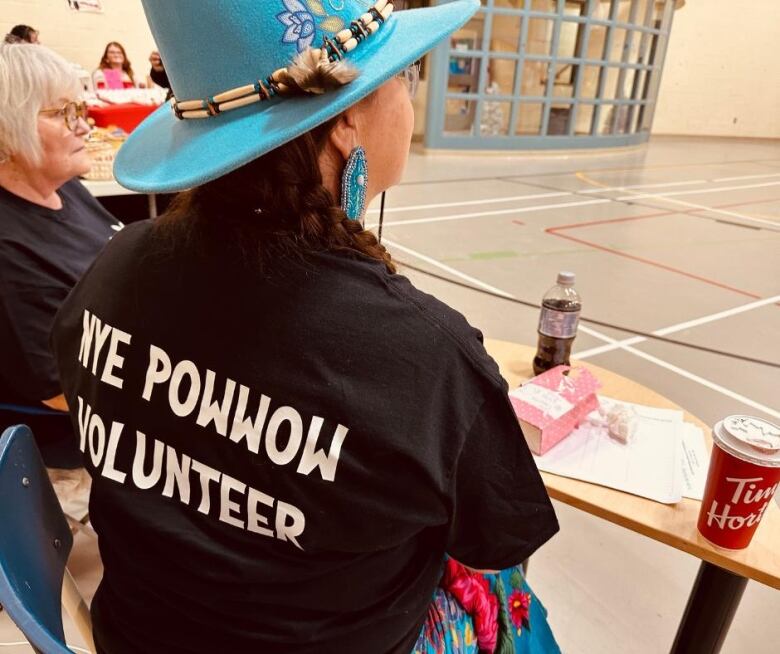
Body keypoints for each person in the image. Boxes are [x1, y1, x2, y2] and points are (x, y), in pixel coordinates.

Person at [51, 1, 559, 653]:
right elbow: (494, 541)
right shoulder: (423, 356)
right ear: (346, 117)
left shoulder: (117, 260)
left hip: (139, 632)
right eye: (403, 76)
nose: (408, 98)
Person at [0, 43, 123, 474]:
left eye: (77, 107)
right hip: (81, 435)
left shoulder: (62, 187)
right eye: (58, 113)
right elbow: (59, 391)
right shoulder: (9, 249)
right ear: (5, 133)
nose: (83, 125)